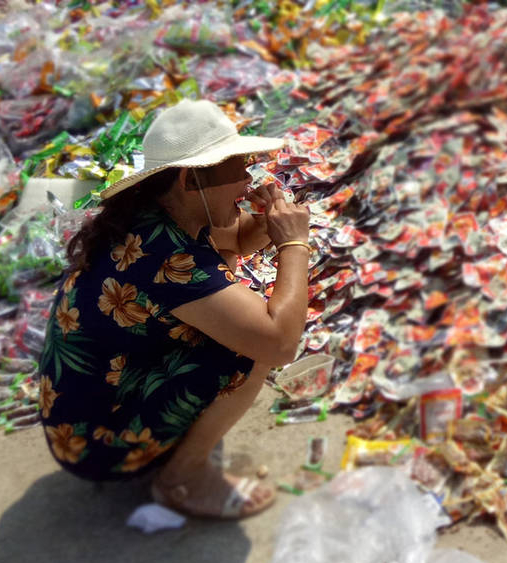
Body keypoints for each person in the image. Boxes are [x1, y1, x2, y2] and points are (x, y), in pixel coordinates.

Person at [38, 100, 311, 519]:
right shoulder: (166, 256)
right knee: (247, 347)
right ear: (190, 179)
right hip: (99, 444)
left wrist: (267, 220)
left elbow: (235, 240)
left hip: (82, 412)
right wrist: (294, 244)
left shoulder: (152, 215)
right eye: (236, 168)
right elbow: (280, 343)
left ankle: (177, 445)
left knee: (234, 317)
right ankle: (181, 478)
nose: (247, 179)